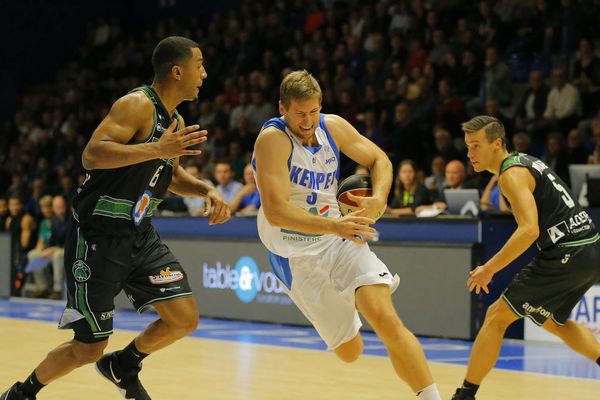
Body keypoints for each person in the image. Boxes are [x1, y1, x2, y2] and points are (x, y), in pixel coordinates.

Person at [1, 36, 230, 400]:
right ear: (176, 70)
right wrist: (158, 147)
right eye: (199, 64)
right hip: (97, 236)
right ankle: (22, 393)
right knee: (88, 347)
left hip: (139, 234)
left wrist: (207, 190)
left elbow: (168, 177)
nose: (204, 72)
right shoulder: (136, 105)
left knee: (184, 317)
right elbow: (92, 155)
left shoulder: (175, 119)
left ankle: (123, 363)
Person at [253, 70, 441, 400]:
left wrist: (380, 199)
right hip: (293, 253)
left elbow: (379, 159)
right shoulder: (272, 139)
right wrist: (334, 225)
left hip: (338, 240)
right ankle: (346, 300)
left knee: (385, 319)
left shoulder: (332, 126)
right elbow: (276, 211)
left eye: (313, 111)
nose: (308, 121)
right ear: (282, 108)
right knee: (350, 352)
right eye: (300, 114)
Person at [452, 116, 600, 400]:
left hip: (567, 251)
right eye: (468, 146)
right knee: (550, 320)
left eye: (475, 146)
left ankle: (465, 395)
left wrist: (489, 268)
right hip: (590, 248)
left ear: (497, 143)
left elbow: (529, 230)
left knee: (496, 316)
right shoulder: (524, 161)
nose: (470, 153)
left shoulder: (511, 174)